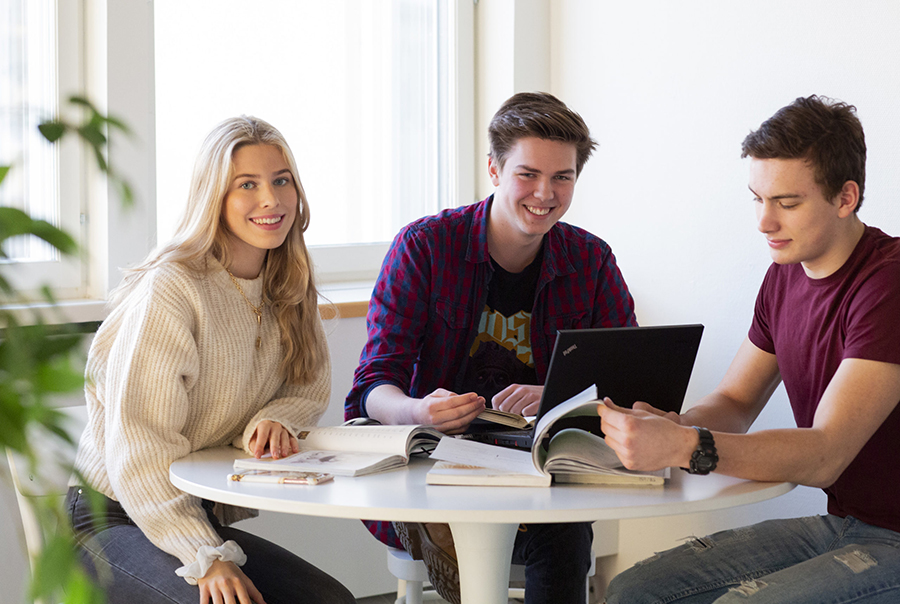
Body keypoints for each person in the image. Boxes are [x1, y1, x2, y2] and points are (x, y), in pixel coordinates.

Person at [600, 95, 900, 604]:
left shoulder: (887, 282)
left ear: (846, 197)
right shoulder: (783, 278)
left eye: (786, 203)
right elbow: (736, 403)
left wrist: (684, 447)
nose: (764, 222)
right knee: (634, 591)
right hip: (848, 524)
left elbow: (826, 453)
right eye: (757, 199)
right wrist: (676, 425)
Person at [346, 91, 637, 604]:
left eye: (562, 178)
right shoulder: (425, 247)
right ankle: (440, 538)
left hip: (543, 466)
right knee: (523, 521)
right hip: (435, 459)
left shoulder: (591, 261)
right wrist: (419, 409)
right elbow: (372, 386)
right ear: (495, 170)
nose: (545, 193)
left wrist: (556, 394)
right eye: (528, 174)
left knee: (564, 525)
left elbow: (629, 382)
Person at [66, 116, 356, 604]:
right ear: (214, 197)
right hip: (113, 519)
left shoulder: (288, 280)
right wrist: (205, 554)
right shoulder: (172, 290)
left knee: (332, 600)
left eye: (281, 180)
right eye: (248, 184)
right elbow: (139, 447)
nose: (272, 199)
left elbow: (308, 387)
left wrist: (274, 416)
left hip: (193, 514)